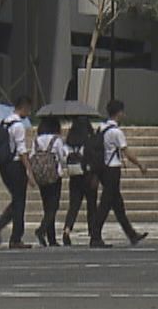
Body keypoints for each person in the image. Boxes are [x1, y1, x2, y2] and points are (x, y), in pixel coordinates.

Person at [89, 99, 149, 248]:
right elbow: (126, 152)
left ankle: (131, 234)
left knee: (117, 204)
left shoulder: (101, 128)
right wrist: (140, 164)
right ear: (119, 113)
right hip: (112, 169)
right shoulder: (116, 132)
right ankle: (95, 235)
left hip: (103, 168)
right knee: (106, 204)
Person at [0, 96, 34, 249]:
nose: (29, 112)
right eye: (29, 108)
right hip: (15, 166)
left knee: (16, 200)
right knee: (20, 202)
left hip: (4, 166)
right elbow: (21, 151)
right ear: (24, 107)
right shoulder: (18, 126)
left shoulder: (4, 123)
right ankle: (15, 237)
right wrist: (29, 171)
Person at [61, 111, 100, 242]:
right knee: (91, 205)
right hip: (88, 174)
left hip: (74, 176)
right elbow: (94, 158)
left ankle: (67, 229)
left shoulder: (69, 141)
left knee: (74, 205)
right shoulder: (89, 140)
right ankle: (92, 231)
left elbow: (64, 156)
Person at [31, 114, 67, 247]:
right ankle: (42, 230)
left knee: (47, 206)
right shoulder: (56, 140)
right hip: (54, 175)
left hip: (40, 176)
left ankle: (51, 238)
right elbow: (62, 158)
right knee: (54, 206)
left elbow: (31, 156)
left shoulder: (36, 141)